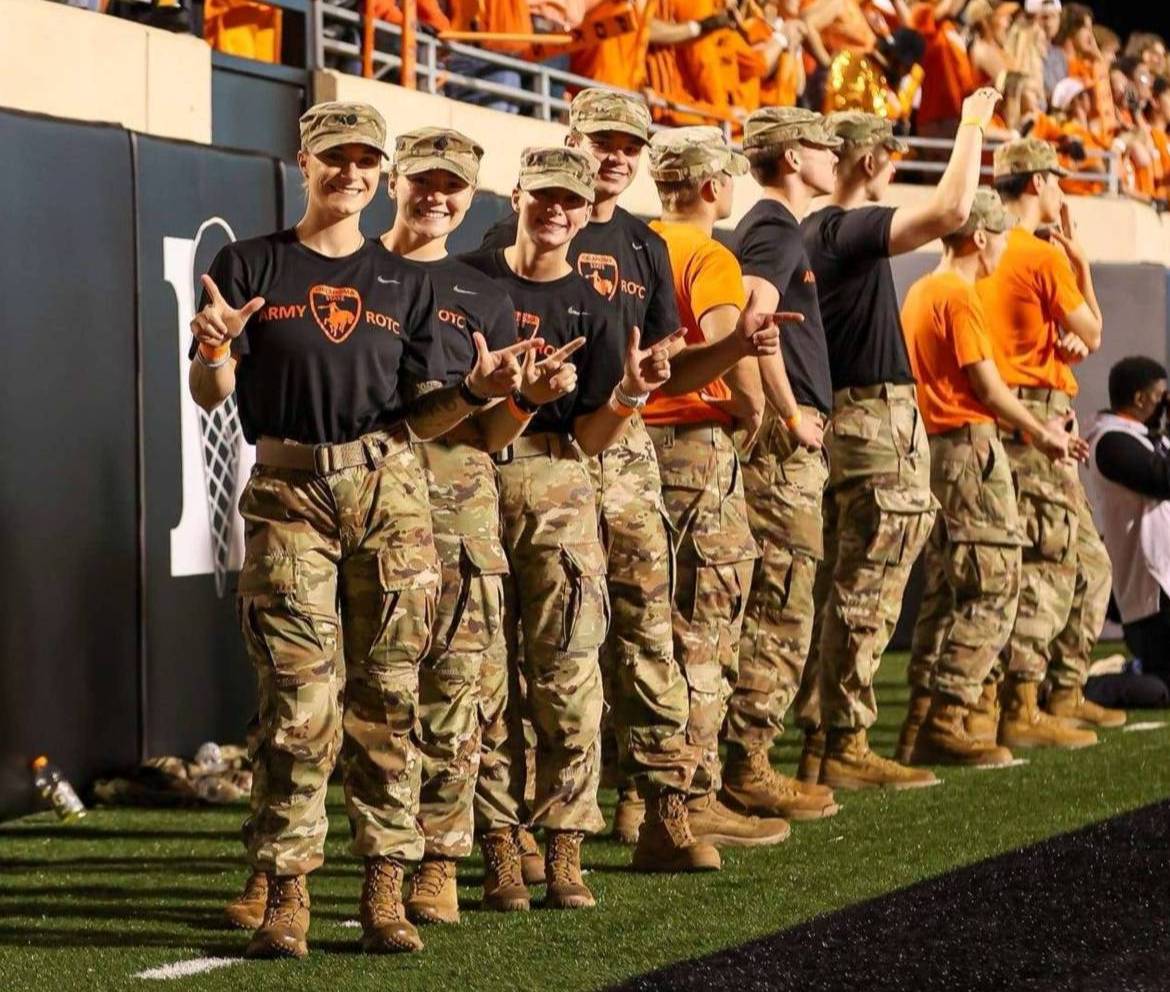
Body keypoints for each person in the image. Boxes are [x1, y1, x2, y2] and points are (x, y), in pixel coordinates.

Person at [190, 102, 540, 959]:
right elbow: (210, 398)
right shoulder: (249, 264)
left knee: (388, 703)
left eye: (365, 161)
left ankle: (387, 887)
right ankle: (287, 893)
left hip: (389, 497)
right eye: (334, 158)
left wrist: (483, 390)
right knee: (300, 708)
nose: (350, 173)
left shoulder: (408, 282)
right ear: (302, 163)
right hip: (287, 497)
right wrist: (210, 353)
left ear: (381, 174)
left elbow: (422, 419)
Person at [480, 90, 714, 868]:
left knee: (648, 626)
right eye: (600, 139)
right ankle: (515, 825)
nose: (614, 155)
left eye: (629, 145)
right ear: (570, 137)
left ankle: (657, 806)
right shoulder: (515, 233)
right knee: (538, 649)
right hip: (542, 455)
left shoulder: (648, 246)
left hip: (625, 452)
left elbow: (656, 359)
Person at [377, 127, 582, 922]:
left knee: (465, 695)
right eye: (424, 180)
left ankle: (442, 857)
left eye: (453, 184)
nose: (437, 196)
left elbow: (490, 436)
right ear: (396, 182)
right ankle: (313, 870)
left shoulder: (484, 295)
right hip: (373, 503)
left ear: (473, 197)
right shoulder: (358, 275)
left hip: (463, 510)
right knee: (370, 692)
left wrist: (525, 399)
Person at [799, 89, 999, 791]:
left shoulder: (817, 233)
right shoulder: (841, 229)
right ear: (874, 158)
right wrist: (971, 121)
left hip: (855, 426)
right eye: (888, 157)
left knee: (844, 589)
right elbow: (949, 209)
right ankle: (845, 743)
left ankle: (825, 742)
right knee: (867, 590)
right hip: (871, 429)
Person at [895, 188, 1084, 768]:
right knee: (996, 583)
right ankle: (951, 715)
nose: (1005, 245)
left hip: (936, 450)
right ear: (980, 237)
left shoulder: (923, 289)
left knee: (949, 589)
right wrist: (1044, 431)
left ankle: (924, 721)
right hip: (968, 451)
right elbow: (987, 387)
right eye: (1000, 234)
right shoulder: (958, 294)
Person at [641, 125, 790, 848]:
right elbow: (734, 345)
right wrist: (752, 410)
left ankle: (641, 799)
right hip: (696, 451)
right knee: (705, 634)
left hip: (629, 451)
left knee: (649, 631)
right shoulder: (708, 254)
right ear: (713, 187)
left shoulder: (633, 245)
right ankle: (691, 795)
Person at [980, 136, 1124, 745]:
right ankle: (1022, 702)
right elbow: (1091, 328)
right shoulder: (1036, 254)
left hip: (1011, 412)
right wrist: (1083, 266)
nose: (1062, 188)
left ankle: (1057, 689)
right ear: (1037, 183)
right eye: (1056, 179)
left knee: (1079, 561)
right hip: (1034, 413)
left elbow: (1079, 338)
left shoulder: (983, 248)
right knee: (1053, 559)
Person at [721, 106, 842, 823]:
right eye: (825, 144)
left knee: (780, 597)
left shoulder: (778, 227)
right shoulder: (773, 225)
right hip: (780, 453)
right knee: (779, 602)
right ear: (794, 155)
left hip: (779, 445)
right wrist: (790, 416)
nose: (834, 156)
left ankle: (746, 758)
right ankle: (748, 765)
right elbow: (750, 318)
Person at [1084, 357, 1170, 690]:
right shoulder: (1110, 442)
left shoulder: (1153, 439)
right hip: (1151, 597)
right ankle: (1090, 688)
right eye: (1161, 396)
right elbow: (1163, 479)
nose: (1164, 404)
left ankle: (1132, 670)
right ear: (1139, 399)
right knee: (1162, 688)